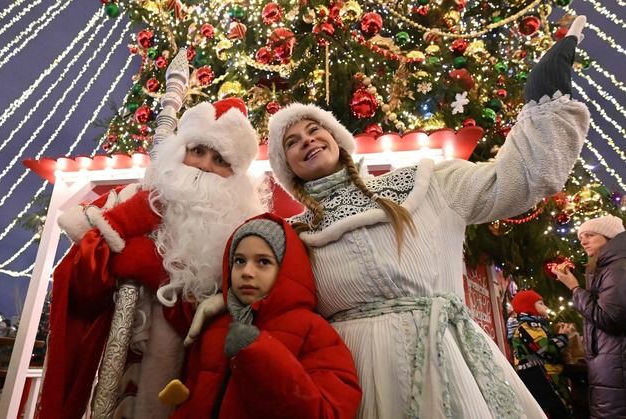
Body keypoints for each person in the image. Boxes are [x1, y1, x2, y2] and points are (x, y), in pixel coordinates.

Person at [266, 17, 589, 419]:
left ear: (336, 137)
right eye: (292, 143)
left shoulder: (427, 181)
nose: (307, 141)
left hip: (450, 361)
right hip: (356, 375)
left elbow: (516, 180)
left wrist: (546, 102)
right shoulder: (291, 236)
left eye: (314, 130)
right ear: (287, 168)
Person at [39, 98, 266, 419]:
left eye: (220, 160)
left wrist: (158, 271)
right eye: (198, 151)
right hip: (118, 362)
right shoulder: (131, 199)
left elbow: (244, 307)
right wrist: (118, 262)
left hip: (197, 376)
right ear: (179, 150)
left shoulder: (243, 231)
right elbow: (80, 283)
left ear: (236, 177)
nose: (203, 165)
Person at [161, 213, 362, 418]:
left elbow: (329, 412)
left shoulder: (313, 330)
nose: (247, 271)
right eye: (239, 260)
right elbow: (193, 400)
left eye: (263, 262)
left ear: (285, 268)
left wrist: (257, 351)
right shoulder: (215, 328)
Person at [552, 214, 626, 418]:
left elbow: (610, 318)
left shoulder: (617, 268)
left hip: (617, 372)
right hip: (612, 369)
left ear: (609, 236)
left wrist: (575, 288)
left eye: (590, 235)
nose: (583, 241)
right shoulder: (607, 267)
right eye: (581, 237)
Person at [510, 290, 574, 418]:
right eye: (541, 303)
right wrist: (562, 337)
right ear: (528, 307)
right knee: (558, 409)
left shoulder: (537, 326)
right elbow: (546, 350)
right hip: (539, 377)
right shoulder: (528, 326)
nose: (546, 307)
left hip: (543, 375)